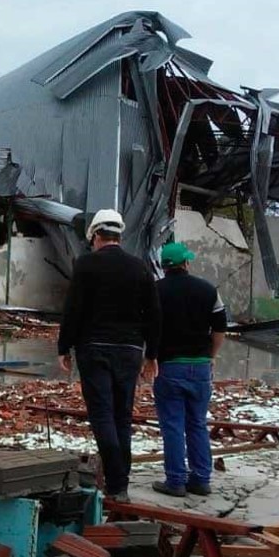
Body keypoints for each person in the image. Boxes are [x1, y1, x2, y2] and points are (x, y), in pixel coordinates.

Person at [57, 209, 161, 503]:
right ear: (119, 236)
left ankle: (116, 483)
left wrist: (64, 347)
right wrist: (151, 354)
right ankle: (120, 482)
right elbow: (154, 313)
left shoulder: (86, 265)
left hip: (94, 348)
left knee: (102, 414)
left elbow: (73, 308)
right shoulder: (139, 267)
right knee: (122, 416)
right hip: (130, 351)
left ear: (95, 236)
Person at [151, 242, 227, 498]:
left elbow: (147, 329)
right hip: (200, 367)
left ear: (164, 266)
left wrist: (148, 359)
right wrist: (211, 356)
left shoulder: (156, 291)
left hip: (169, 367)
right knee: (197, 424)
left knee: (173, 425)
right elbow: (220, 328)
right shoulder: (208, 290)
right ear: (185, 263)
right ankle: (201, 479)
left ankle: (175, 481)